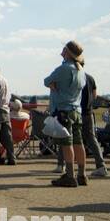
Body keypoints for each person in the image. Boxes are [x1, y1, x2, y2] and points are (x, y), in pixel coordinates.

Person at [44, 40, 87, 187]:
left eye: (63, 49)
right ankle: (82, 174)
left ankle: (70, 175)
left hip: (64, 110)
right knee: (78, 143)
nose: (61, 52)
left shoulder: (64, 68)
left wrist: (53, 85)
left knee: (66, 144)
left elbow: (47, 81)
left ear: (67, 52)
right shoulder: (81, 69)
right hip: (76, 110)